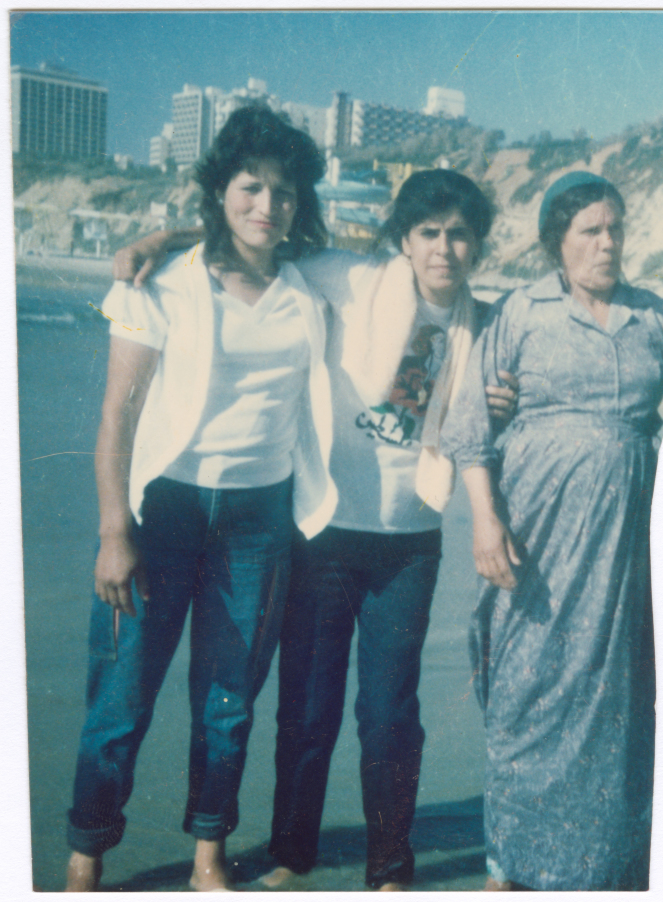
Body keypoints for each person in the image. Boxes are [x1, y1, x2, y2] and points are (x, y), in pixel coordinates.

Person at [113, 168, 518, 891]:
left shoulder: (483, 326)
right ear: (404, 237)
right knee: (306, 705)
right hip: (325, 528)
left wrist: (506, 401)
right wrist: (164, 237)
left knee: (390, 712)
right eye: (429, 232)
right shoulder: (351, 278)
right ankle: (293, 851)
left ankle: (390, 866)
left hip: (410, 540)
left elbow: (503, 407)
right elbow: (255, 244)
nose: (444, 249)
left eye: (460, 234)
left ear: (477, 244)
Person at [64, 106, 337, 892]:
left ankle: (208, 855)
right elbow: (117, 412)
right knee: (121, 696)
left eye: (284, 193)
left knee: (228, 704)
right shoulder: (162, 287)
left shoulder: (304, 285)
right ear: (218, 190)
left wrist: (172, 233)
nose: (268, 205)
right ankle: (88, 854)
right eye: (251, 187)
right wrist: (116, 528)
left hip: (261, 519)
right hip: (163, 514)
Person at [439, 171, 663, 891]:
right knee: (527, 693)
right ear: (558, 241)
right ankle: (509, 869)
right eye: (590, 231)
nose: (607, 243)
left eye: (616, 229)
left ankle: (600, 871)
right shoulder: (521, 313)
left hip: (627, 555)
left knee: (618, 704)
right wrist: (485, 522)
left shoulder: (659, 319)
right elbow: (469, 431)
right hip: (537, 544)